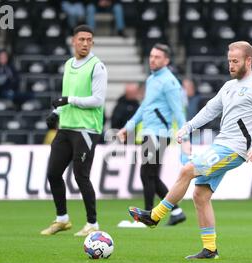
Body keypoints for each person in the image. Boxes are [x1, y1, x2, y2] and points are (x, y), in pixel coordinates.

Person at [127, 41, 252, 259]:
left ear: (248, 61)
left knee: (187, 170)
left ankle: (155, 216)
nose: (231, 66)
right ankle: (210, 249)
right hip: (221, 145)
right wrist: (188, 126)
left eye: (235, 61)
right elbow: (210, 110)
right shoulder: (228, 86)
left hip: (235, 149)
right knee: (200, 195)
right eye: (229, 61)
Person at [41, 25, 108, 236]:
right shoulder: (69, 64)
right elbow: (66, 94)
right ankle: (62, 219)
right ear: (73, 41)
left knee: (81, 176)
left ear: (93, 43)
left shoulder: (98, 67)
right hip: (67, 127)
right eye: (82, 39)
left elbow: (97, 100)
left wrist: (68, 100)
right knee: (53, 173)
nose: (85, 43)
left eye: (89, 40)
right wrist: (58, 113)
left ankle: (92, 224)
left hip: (87, 129)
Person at [117, 43, 188, 226]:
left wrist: (184, 136)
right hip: (150, 133)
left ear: (166, 60)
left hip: (158, 134)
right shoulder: (151, 80)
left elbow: (178, 111)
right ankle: (176, 211)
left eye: (157, 57)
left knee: (146, 173)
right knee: (152, 175)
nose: (152, 59)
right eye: (151, 55)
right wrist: (128, 127)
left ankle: (146, 218)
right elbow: (144, 107)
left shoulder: (169, 82)